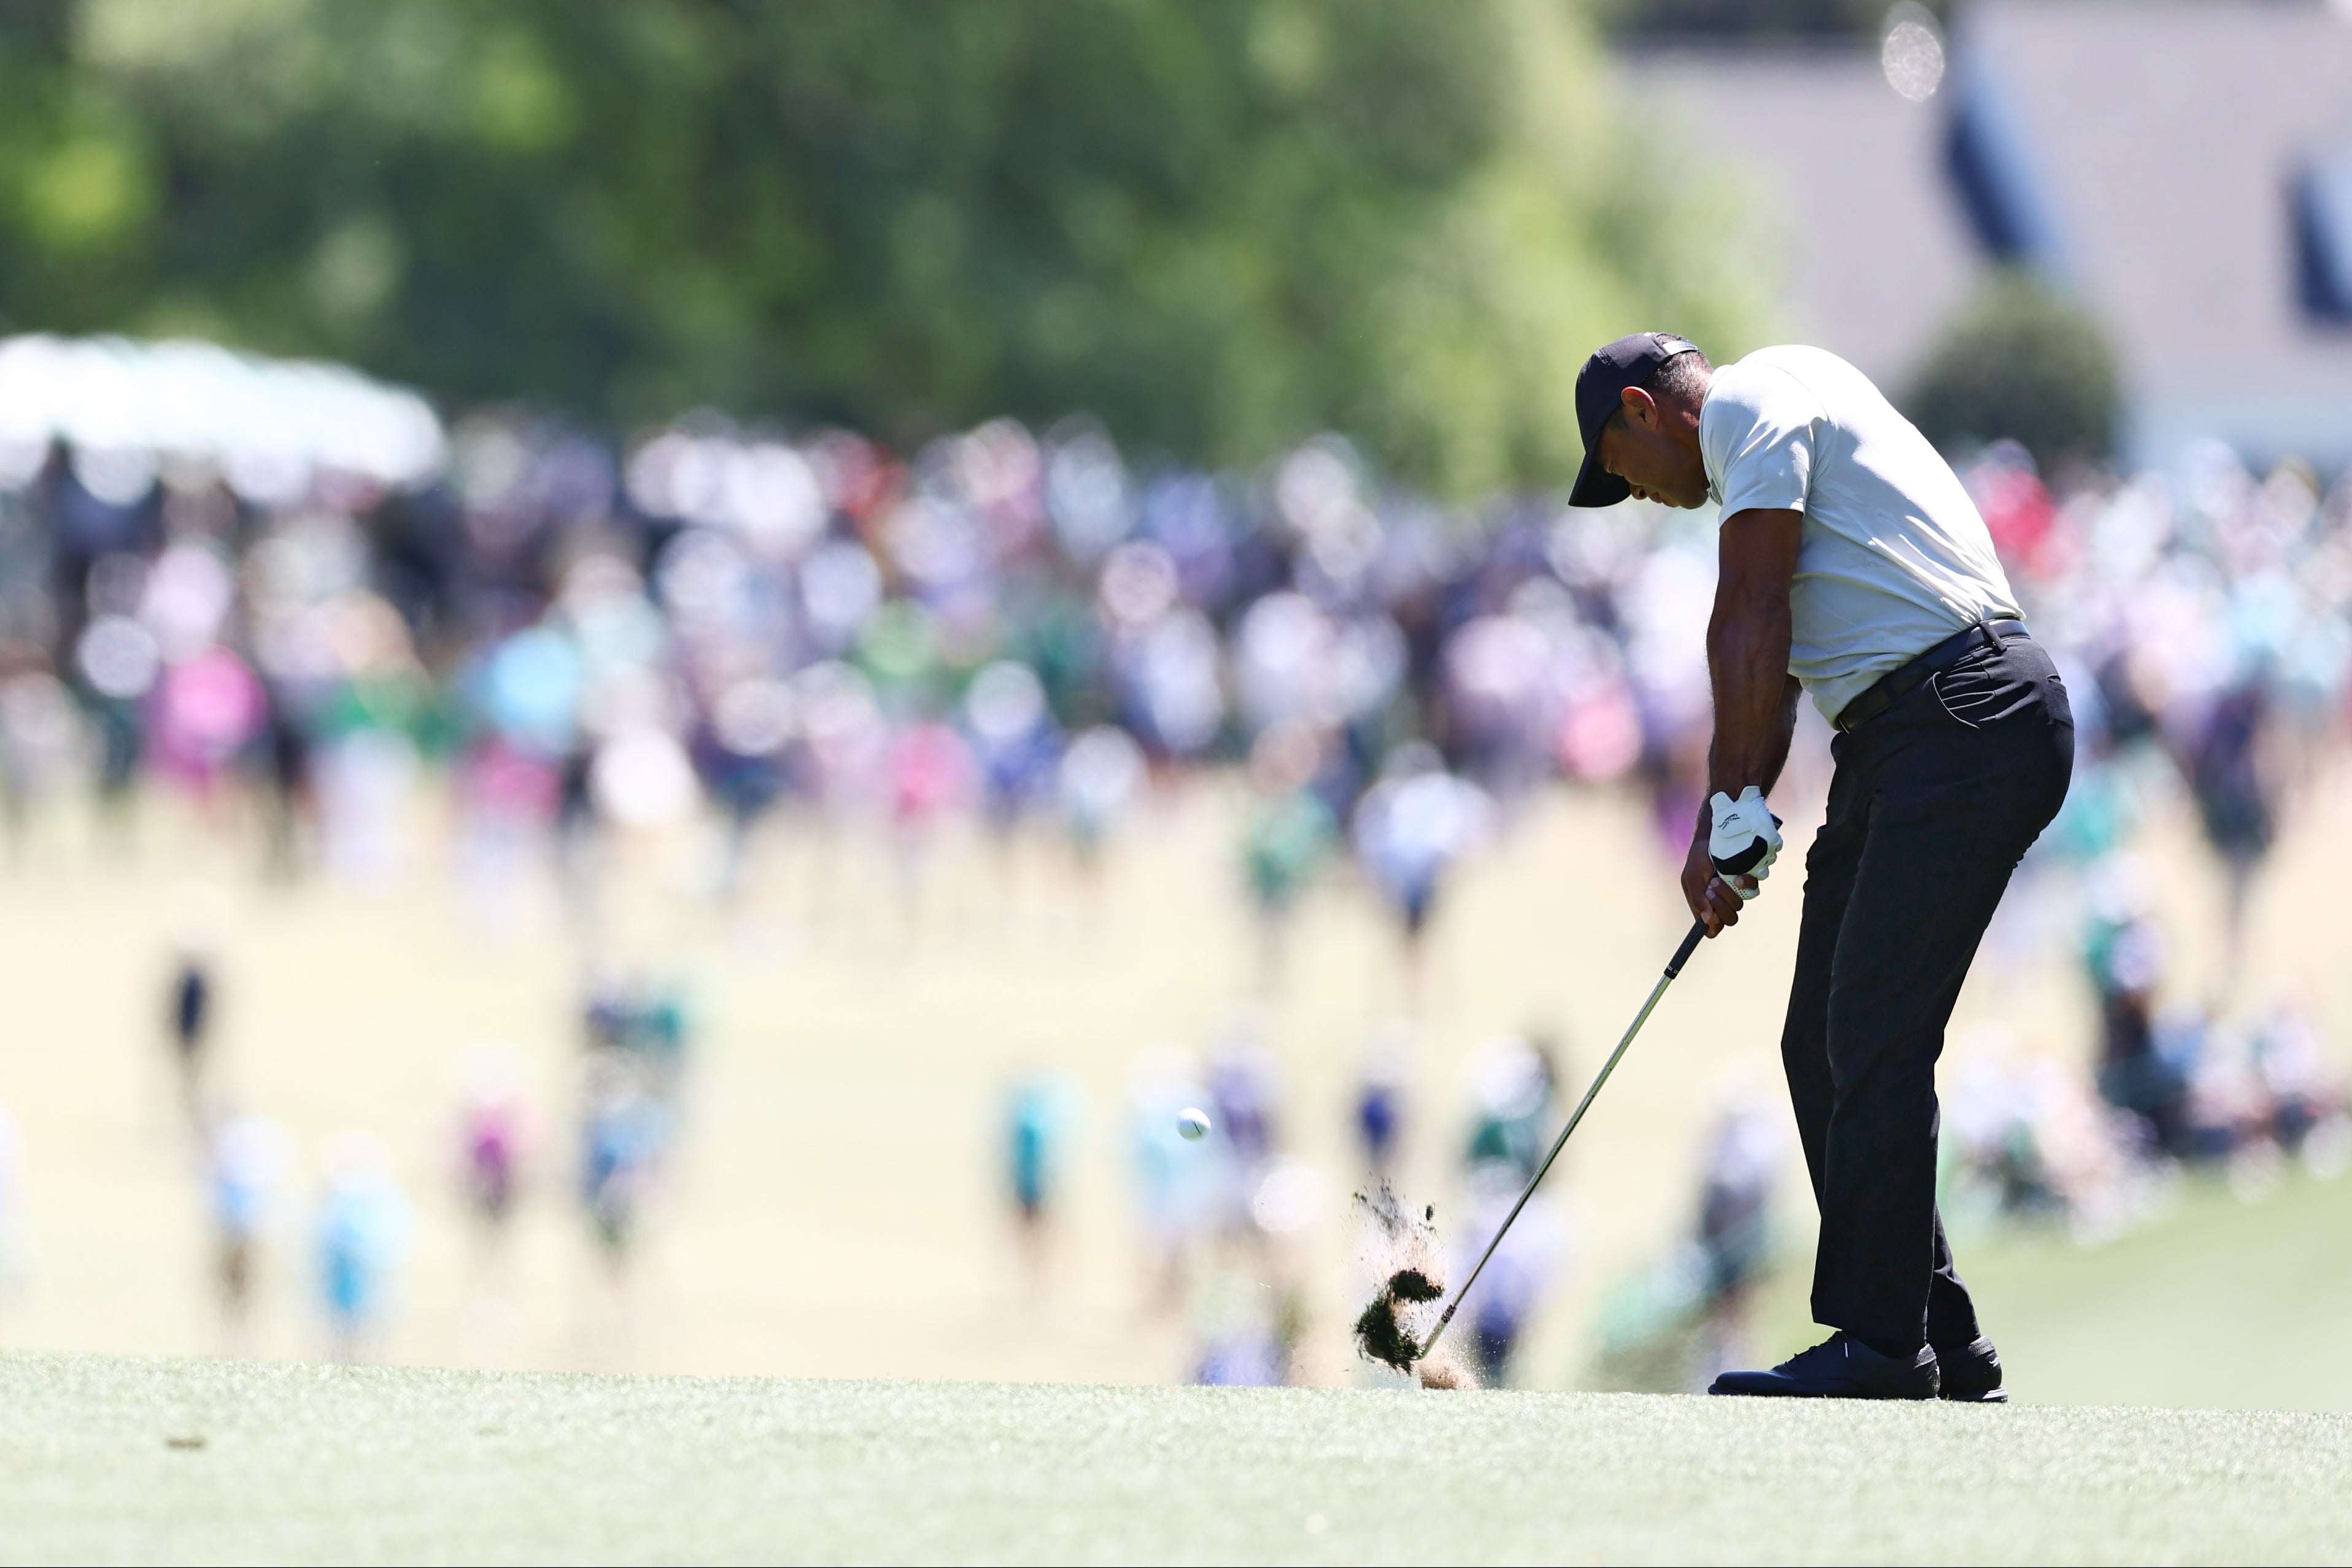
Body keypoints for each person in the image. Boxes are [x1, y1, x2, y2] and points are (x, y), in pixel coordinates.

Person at [1569, 332, 2072, 1400]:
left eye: (1620, 471)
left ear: (1641, 412)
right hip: (1907, 738)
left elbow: (1749, 614)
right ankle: (1938, 1334)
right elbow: (1777, 658)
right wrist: (1737, 816)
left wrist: (1716, 811)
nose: (1639, 497)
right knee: (1823, 1043)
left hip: (1966, 717)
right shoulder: (1779, 418)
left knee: (1873, 1029)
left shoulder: (1751, 403)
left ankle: (1881, 1348)